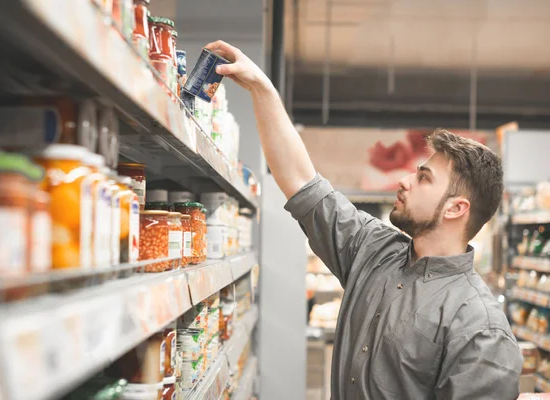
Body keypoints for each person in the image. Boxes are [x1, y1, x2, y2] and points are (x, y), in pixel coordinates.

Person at [205, 40, 524, 399]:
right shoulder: (374, 250)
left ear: (456, 209)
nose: (404, 181)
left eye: (423, 178)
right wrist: (261, 88)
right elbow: (300, 180)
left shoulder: (480, 328)